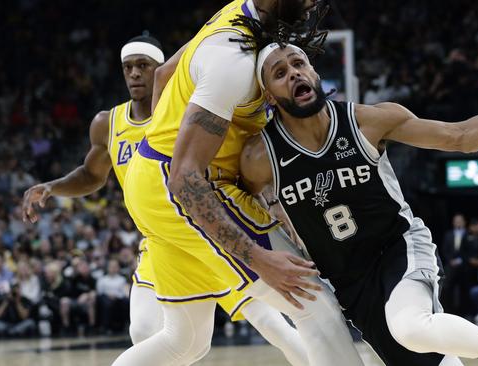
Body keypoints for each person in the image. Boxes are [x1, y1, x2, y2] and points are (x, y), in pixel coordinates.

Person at [241, 41, 478, 366]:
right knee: (417, 338)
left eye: (299, 64)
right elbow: (240, 204)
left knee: (410, 327)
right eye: (280, 72)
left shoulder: (366, 121)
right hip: (349, 284)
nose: (294, 74)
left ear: (314, 72)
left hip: (397, 249)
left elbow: (457, 136)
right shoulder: (261, 157)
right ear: (269, 94)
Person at [21, 34, 307, 364]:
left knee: (271, 323)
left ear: (162, 71)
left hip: (207, 231)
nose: (135, 74)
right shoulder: (107, 123)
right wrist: (52, 187)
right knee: (145, 331)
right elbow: (92, 174)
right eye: (128, 67)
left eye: (143, 66)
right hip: (162, 241)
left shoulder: (189, 114)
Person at [114, 1, 362, 365]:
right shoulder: (232, 61)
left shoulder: (239, 11)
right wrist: (258, 257)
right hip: (181, 184)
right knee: (310, 298)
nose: (312, 6)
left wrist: (160, 134)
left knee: (185, 343)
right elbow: (185, 178)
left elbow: (166, 72)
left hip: (151, 178)